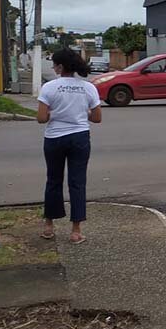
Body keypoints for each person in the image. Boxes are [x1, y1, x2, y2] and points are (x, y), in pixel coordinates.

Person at [37, 49, 102, 244]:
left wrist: (54, 114)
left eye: (55, 64)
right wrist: (82, 113)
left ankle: (49, 226)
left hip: (54, 138)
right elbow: (97, 118)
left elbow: (41, 118)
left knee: (53, 180)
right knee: (77, 183)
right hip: (80, 138)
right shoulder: (88, 88)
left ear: (61, 67)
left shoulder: (49, 87)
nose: (53, 67)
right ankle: (76, 231)